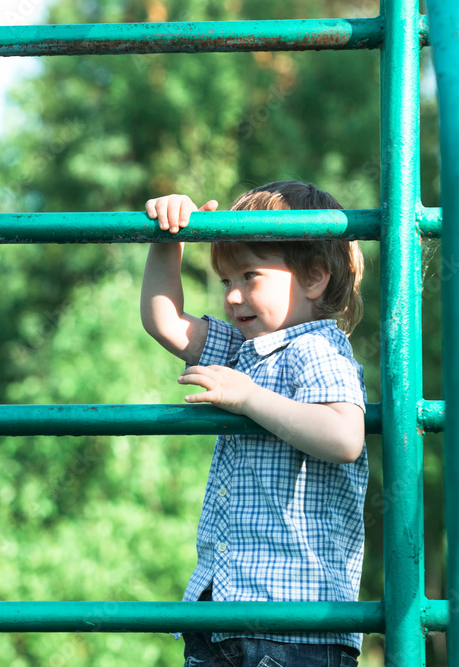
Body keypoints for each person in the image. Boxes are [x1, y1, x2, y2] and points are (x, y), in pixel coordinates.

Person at [140, 181, 366, 666]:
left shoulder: (318, 350)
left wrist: (250, 399)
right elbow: (164, 321)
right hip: (222, 611)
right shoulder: (247, 350)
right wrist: (168, 240)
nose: (233, 296)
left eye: (250, 276)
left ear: (314, 277)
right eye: (226, 282)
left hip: (296, 623)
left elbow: (345, 437)